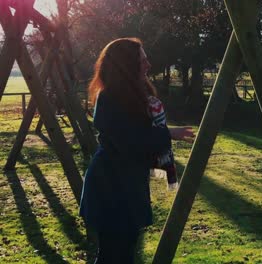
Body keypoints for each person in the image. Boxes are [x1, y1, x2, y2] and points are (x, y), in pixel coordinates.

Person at [79, 38, 194, 264]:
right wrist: (168, 133)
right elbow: (130, 140)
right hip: (109, 189)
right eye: (142, 60)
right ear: (126, 65)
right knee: (114, 255)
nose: (148, 65)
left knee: (124, 251)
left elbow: (138, 133)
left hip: (127, 186)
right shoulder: (108, 99)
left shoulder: (133, 94)